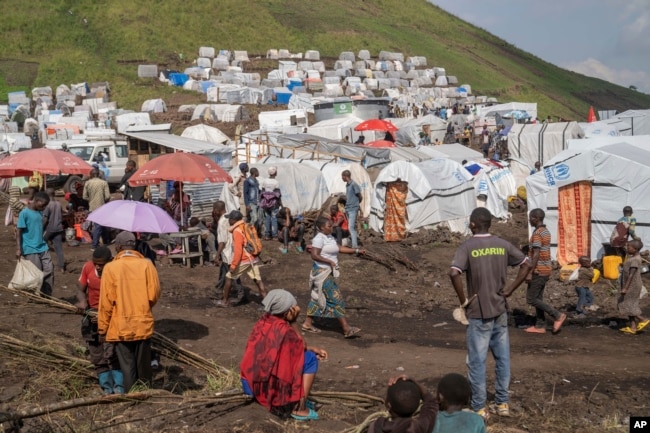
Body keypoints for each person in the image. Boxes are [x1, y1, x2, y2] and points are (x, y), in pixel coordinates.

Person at [450, 207, 529, 421]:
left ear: (474, 224)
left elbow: (454, 272)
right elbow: (525, 263)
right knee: (502, 358)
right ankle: (502, 403)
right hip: (500, 309)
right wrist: (511, 288)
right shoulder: (502, 244)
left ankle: (479, 408)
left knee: (477, 361)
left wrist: (463, 301)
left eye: (470, 221)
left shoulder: (467, 247)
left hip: (478, 312)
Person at [240, 289, 327, 420]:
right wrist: (293, 322)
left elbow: (285, 347)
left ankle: (296, 400)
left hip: (251, 384)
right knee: (310, 360)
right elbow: (300, 345)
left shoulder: (263, 322)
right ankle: (300, 408)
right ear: (288, 313)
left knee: (306, 355)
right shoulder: (285, 330)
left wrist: (312, 348)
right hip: (268, 389)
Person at [98, 231, 160, 393]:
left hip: (120, 325)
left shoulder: (110, 268)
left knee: (127, 365)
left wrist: (102, 328)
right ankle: (147, 392)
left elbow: (105, 302)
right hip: (142, 322)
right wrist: (142, 308)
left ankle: (132, 395)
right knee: (143, 364)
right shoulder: (147, 264)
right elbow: (154, 295)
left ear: (118, 247)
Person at [301, 217, 363, 338]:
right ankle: (346, 328)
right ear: (321, 228)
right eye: (329, 226)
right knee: (337, 299)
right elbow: (314, 255)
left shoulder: (329, 237)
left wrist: (356, 251)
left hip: (327, 272)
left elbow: (339, 248)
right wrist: (329, 261)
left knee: (316, 297)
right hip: (321, 273)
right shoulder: (319, 239)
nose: (332, 227)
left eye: (331, 225)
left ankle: (307, 323)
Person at [74, 246, 123, 394]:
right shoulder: (88, 267)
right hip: (92, 313)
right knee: (96, 351)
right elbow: (80, 289)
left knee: (112, 351)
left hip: (112, 315)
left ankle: (119, 387)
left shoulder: (117, 271)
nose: (97, 267)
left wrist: (107, 316)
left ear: (110, 261)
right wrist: (82, 302)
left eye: (101, 264)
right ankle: (106, 387)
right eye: (96, 263)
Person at [520, 208, 567, 334]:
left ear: (536, 218)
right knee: (538, 298)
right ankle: (540, 325)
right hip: (545, 269)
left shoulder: (537, 234)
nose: (529, 220)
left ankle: (557, 315)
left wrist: (530, 272)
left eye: (530, 217)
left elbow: (536, 254)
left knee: (531, 299)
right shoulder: (545, 231)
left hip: (538, 270)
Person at [215, 210, 267, 307]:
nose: (229, 220)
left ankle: (224, 301)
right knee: (258, 281)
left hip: (245, 259)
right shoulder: (246, 226)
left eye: (230, 219)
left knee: (229, 276)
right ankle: (268, 305)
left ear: (233, 220)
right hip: (253, 259)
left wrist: (233, 265)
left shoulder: (237, 231)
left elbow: (238, 251)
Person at [367, 375, 438, 433]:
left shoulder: (375, 427)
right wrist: (413, 380)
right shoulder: (420, 426)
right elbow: (431, 402)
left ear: (387, 404)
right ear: (417, 407)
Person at [16, 191, 54, 296]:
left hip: (42, 246)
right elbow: (18, 231)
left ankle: (46, 294)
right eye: (44, 204)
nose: (45, 207)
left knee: (49, 269)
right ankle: (35, 295)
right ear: (37, 201)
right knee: (36, 273)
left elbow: (40, 228)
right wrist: (18, 248)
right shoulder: (24, 213)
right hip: (30, 248)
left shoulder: (40, 212)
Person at [618, 239, 650, 334]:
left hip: (632, 285)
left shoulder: (635, 260)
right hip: (630, 284)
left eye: (629, 247)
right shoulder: (633, 258)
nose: (627, 248)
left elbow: (631, 274)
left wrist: (625, 288)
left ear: (635, 249)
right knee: (629, 304)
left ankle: (643, 319)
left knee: (628, 304)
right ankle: (633, 327)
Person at [213, 201, 242, 300]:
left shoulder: (221, 222)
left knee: (232, 273)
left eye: (214, 209)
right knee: (224, 271)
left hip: (227, 251)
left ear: (217, 210)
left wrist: (217, 255)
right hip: (233, 249)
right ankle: (218, 290)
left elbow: (222, 241)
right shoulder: (229, 217)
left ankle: (240, 293)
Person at [83, 168, 111, 251]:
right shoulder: (103, 183)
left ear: (91, 175)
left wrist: (91, 199)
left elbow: (84, 196)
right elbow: (107, 196)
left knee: (100, 225)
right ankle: (94, 245)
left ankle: (106, 240)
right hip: (101, 207)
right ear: (98, 174)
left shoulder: (87, 183)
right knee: (99, 226)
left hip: (92, 207)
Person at [42, 187, 65, 274]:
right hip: (59, 228)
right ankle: (61, 267)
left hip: (49, 229)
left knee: (41, 243)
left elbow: (45, 219)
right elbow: (62, 214)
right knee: (59, 248)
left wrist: (41, 229)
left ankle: (43, 263)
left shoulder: (47, 205)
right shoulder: (58, 204)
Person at [342, 170, 362, 249]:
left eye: (342, 176)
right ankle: (353, 242)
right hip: (348, 208)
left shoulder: (354, 184)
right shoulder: (347, 185)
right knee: (350, 227)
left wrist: (356, 204)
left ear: (345, 176)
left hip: (353, 209)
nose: (342, 178)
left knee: (351, 227)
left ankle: (354, 246)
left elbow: (360, 196)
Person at [260, 166, 281, 241]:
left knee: (267, 218)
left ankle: (267, 235)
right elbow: (278, 194)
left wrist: (262, 201)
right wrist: (281, 204)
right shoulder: (276, 182)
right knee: (274, 218)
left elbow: (262, 191)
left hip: (266, 203)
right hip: (274, 203)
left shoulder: (265, 181)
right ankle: (274, 235)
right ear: (275, 173)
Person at [244, 167, 261, 231]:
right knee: (254, 218)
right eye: (257, 171)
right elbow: (245, 193)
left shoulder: (256, 180)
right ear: (254, 172)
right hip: (251, 202)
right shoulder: (247, 181)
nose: (258, 173)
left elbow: (257, 190)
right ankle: (248, 231)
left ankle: (254, 233)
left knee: (259, 219)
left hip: (257, 202)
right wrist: (247, 204)